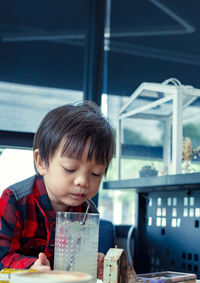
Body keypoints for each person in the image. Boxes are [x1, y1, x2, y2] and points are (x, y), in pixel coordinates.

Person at [0, 101, 115, 280]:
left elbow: (77, 267)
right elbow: (1, 257)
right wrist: (31, 268)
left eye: (95, 173)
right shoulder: (15, 201)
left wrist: (95, 264)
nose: (83, 181)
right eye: (70, 169)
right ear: (41, 162)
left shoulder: (88, 212)